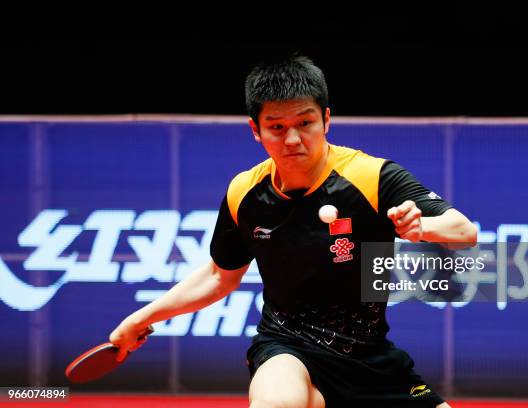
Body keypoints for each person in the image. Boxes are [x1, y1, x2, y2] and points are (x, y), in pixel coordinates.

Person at [109, 55, 477, 408]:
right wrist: (141, 319)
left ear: (326, 120)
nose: (293, 140)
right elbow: (219, 277)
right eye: (277, 127)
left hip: (370, 359)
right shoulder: (245, 193)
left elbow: (463, 231)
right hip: (286, 345)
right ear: (255, 130)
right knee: (276, 402)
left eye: (305, 123)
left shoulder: (371, 177)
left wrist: (420, 227)